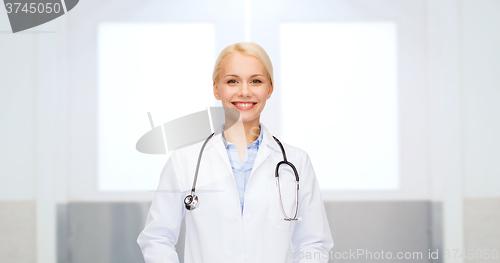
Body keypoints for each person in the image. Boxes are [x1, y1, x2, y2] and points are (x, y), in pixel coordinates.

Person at [137, 42, 333, 263]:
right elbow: (156, 238)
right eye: (232, 81)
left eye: (256, 81)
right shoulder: (185, 161)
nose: (245, 91)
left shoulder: (297, 162)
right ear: (216, 88)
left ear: (269, 88)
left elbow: (313, 243)